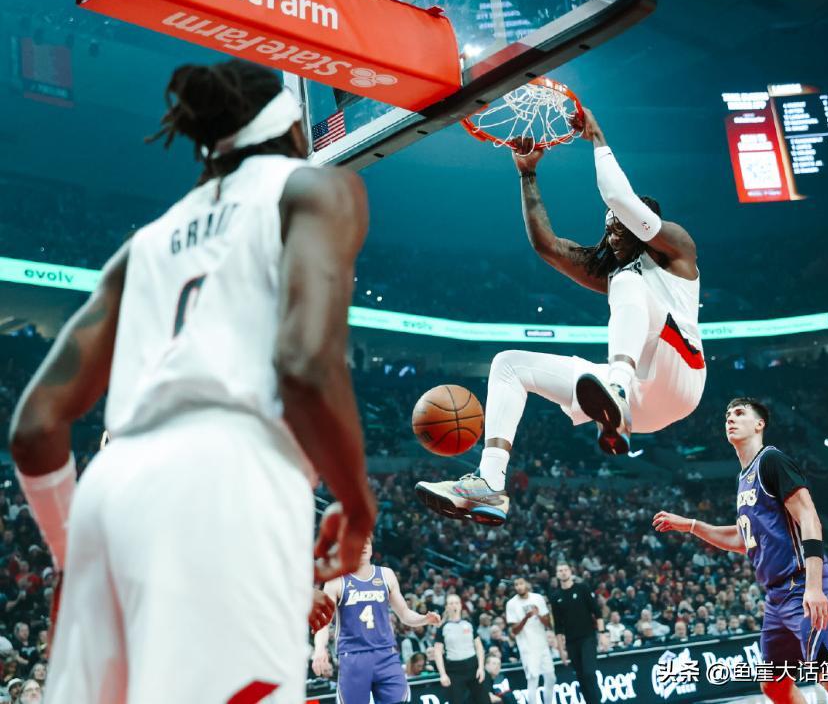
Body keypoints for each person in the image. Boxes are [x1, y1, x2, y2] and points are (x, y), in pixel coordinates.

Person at [8, 59, 376, 703]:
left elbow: (35, 425)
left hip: (108, 493)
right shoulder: (315, 188)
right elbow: (305, 366)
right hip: (230, 478)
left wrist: (75, 555)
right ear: (295, 130)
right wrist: (356, 504)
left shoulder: (144, 245)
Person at [416, 108, 705, 524]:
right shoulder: (615, 269)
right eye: (608, 227)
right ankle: (489, 483)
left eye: (620, 227)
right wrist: (527, 175)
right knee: (508, 365)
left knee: (626, 281)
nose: (611, 234)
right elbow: (547, 246)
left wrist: (598, 138)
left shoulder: (677, 249)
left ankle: (617, 392)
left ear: (645, 227)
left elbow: (619, 199)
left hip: (681, 375)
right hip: (640, 404)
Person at [653, 397, 828, 704]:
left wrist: (813, 587)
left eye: (739, 413)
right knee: (774, 685)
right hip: (776, 598)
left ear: (759, 424)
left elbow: (809, 517)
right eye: (727, 415)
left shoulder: (771, 460)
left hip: (802, 585)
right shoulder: (743, 479)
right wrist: (692, 525)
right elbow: (742, 538)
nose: (730, 418)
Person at [311, 539, 441, 703]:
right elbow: (323, 622)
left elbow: (404, 614)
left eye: (367, 542)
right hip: (353, 656)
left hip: (386, 653)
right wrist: (319, 649)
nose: (363, 546)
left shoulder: (386, 575)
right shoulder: (336, 580)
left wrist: (424, 619)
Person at [549, 562, 603, 704]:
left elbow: (597, 612)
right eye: (560, 570)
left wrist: (602, 634)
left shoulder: (582, 588)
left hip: (588, 637)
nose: (563, 572)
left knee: (589, 673)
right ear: (557, 574)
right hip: (571, 642)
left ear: (570, 571)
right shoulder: (555, 597)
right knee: (581, 677)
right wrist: (561, 650)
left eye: (565, 569)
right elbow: (558, 626)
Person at [505, 577, 556, 704]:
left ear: (527, 584)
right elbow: (514, 631)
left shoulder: (538, 598)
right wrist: (526, 618)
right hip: (527, 647)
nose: (519, 587)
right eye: (516, 585)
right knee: (533, 680)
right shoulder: (511, 604)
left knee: (551, 677)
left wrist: (538, 614)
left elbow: (549, 624)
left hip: (542, 645)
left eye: (521, 583)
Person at [435, 594, 486, 704]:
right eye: (451, 603)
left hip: (473, 666)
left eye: (456, 603)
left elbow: (479, 647)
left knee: (483, 700)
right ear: (446, 607)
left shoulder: (469, 623)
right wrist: (442, 674)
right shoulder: (443, 628)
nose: (454, 605)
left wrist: (481, 668)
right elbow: (437, 652)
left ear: (461, 605)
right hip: (454, 670)